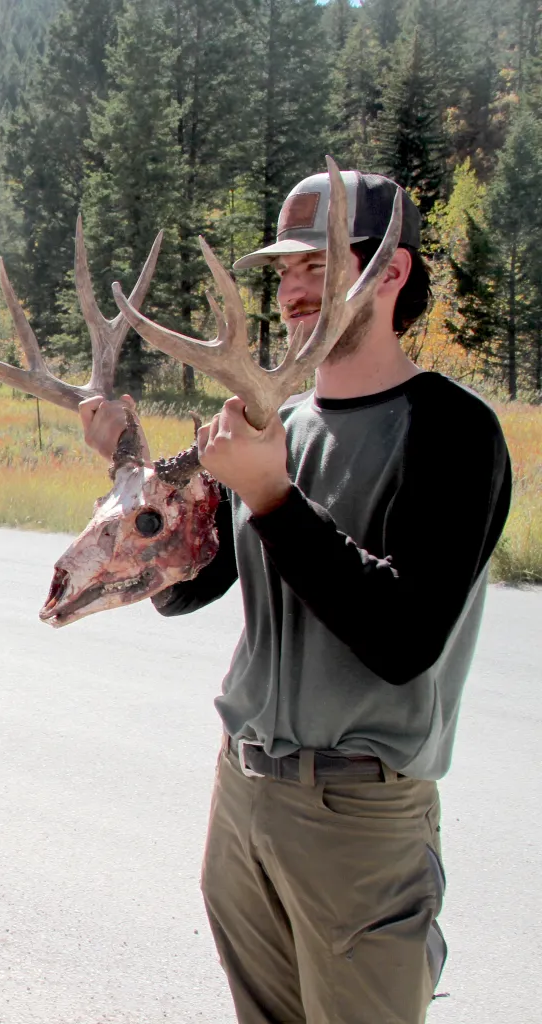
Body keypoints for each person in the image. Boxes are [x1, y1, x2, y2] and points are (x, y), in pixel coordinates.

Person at [81, 171, 512, 1023]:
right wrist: (128, 460)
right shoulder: (282, 423)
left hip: (356, 817)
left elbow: (403, 638)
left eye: (320, 264)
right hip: (243, 801)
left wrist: (273, 495)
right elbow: (181, 589)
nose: (294, 289)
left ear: (391, 273)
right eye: (284, 271)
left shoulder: (452, 432)